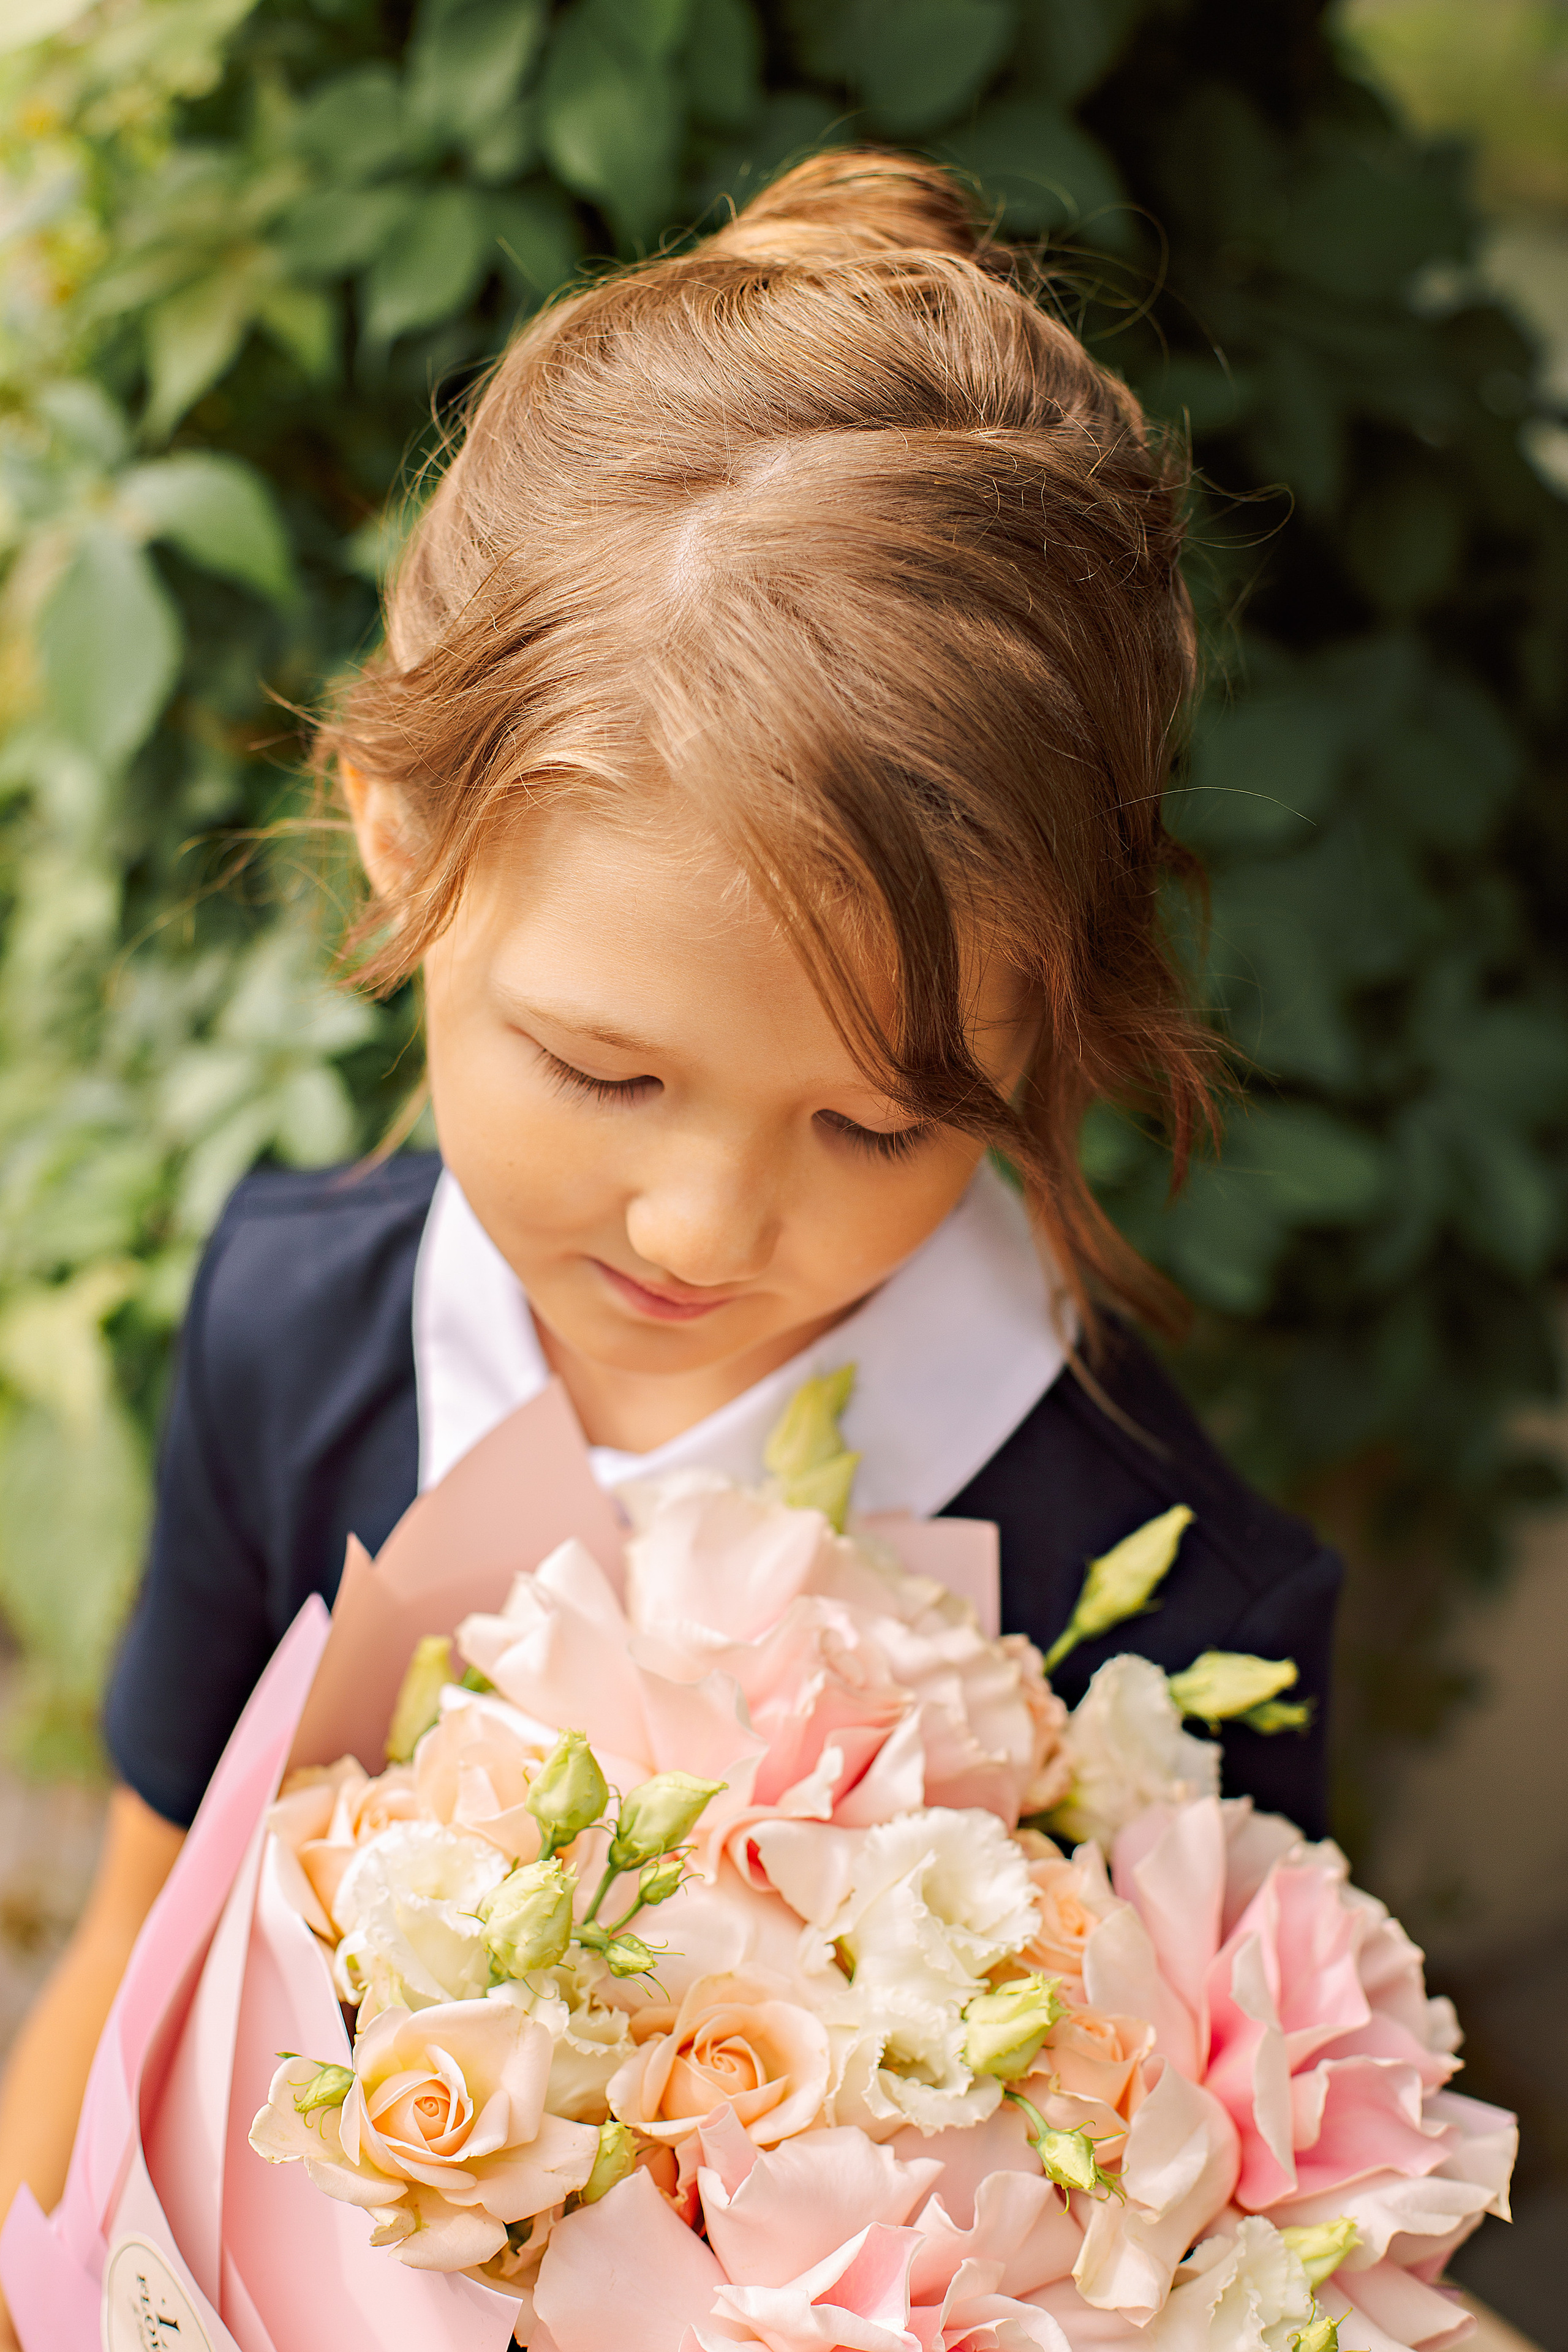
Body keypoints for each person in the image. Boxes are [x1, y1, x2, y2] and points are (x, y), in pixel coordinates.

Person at [0, 149, 1342, 2302]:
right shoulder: (291, 1325)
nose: (711, 1220)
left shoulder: (1151, 1605)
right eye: (605, 1072)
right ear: (401, 836)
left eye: (887, 1121)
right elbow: (139, 1940)